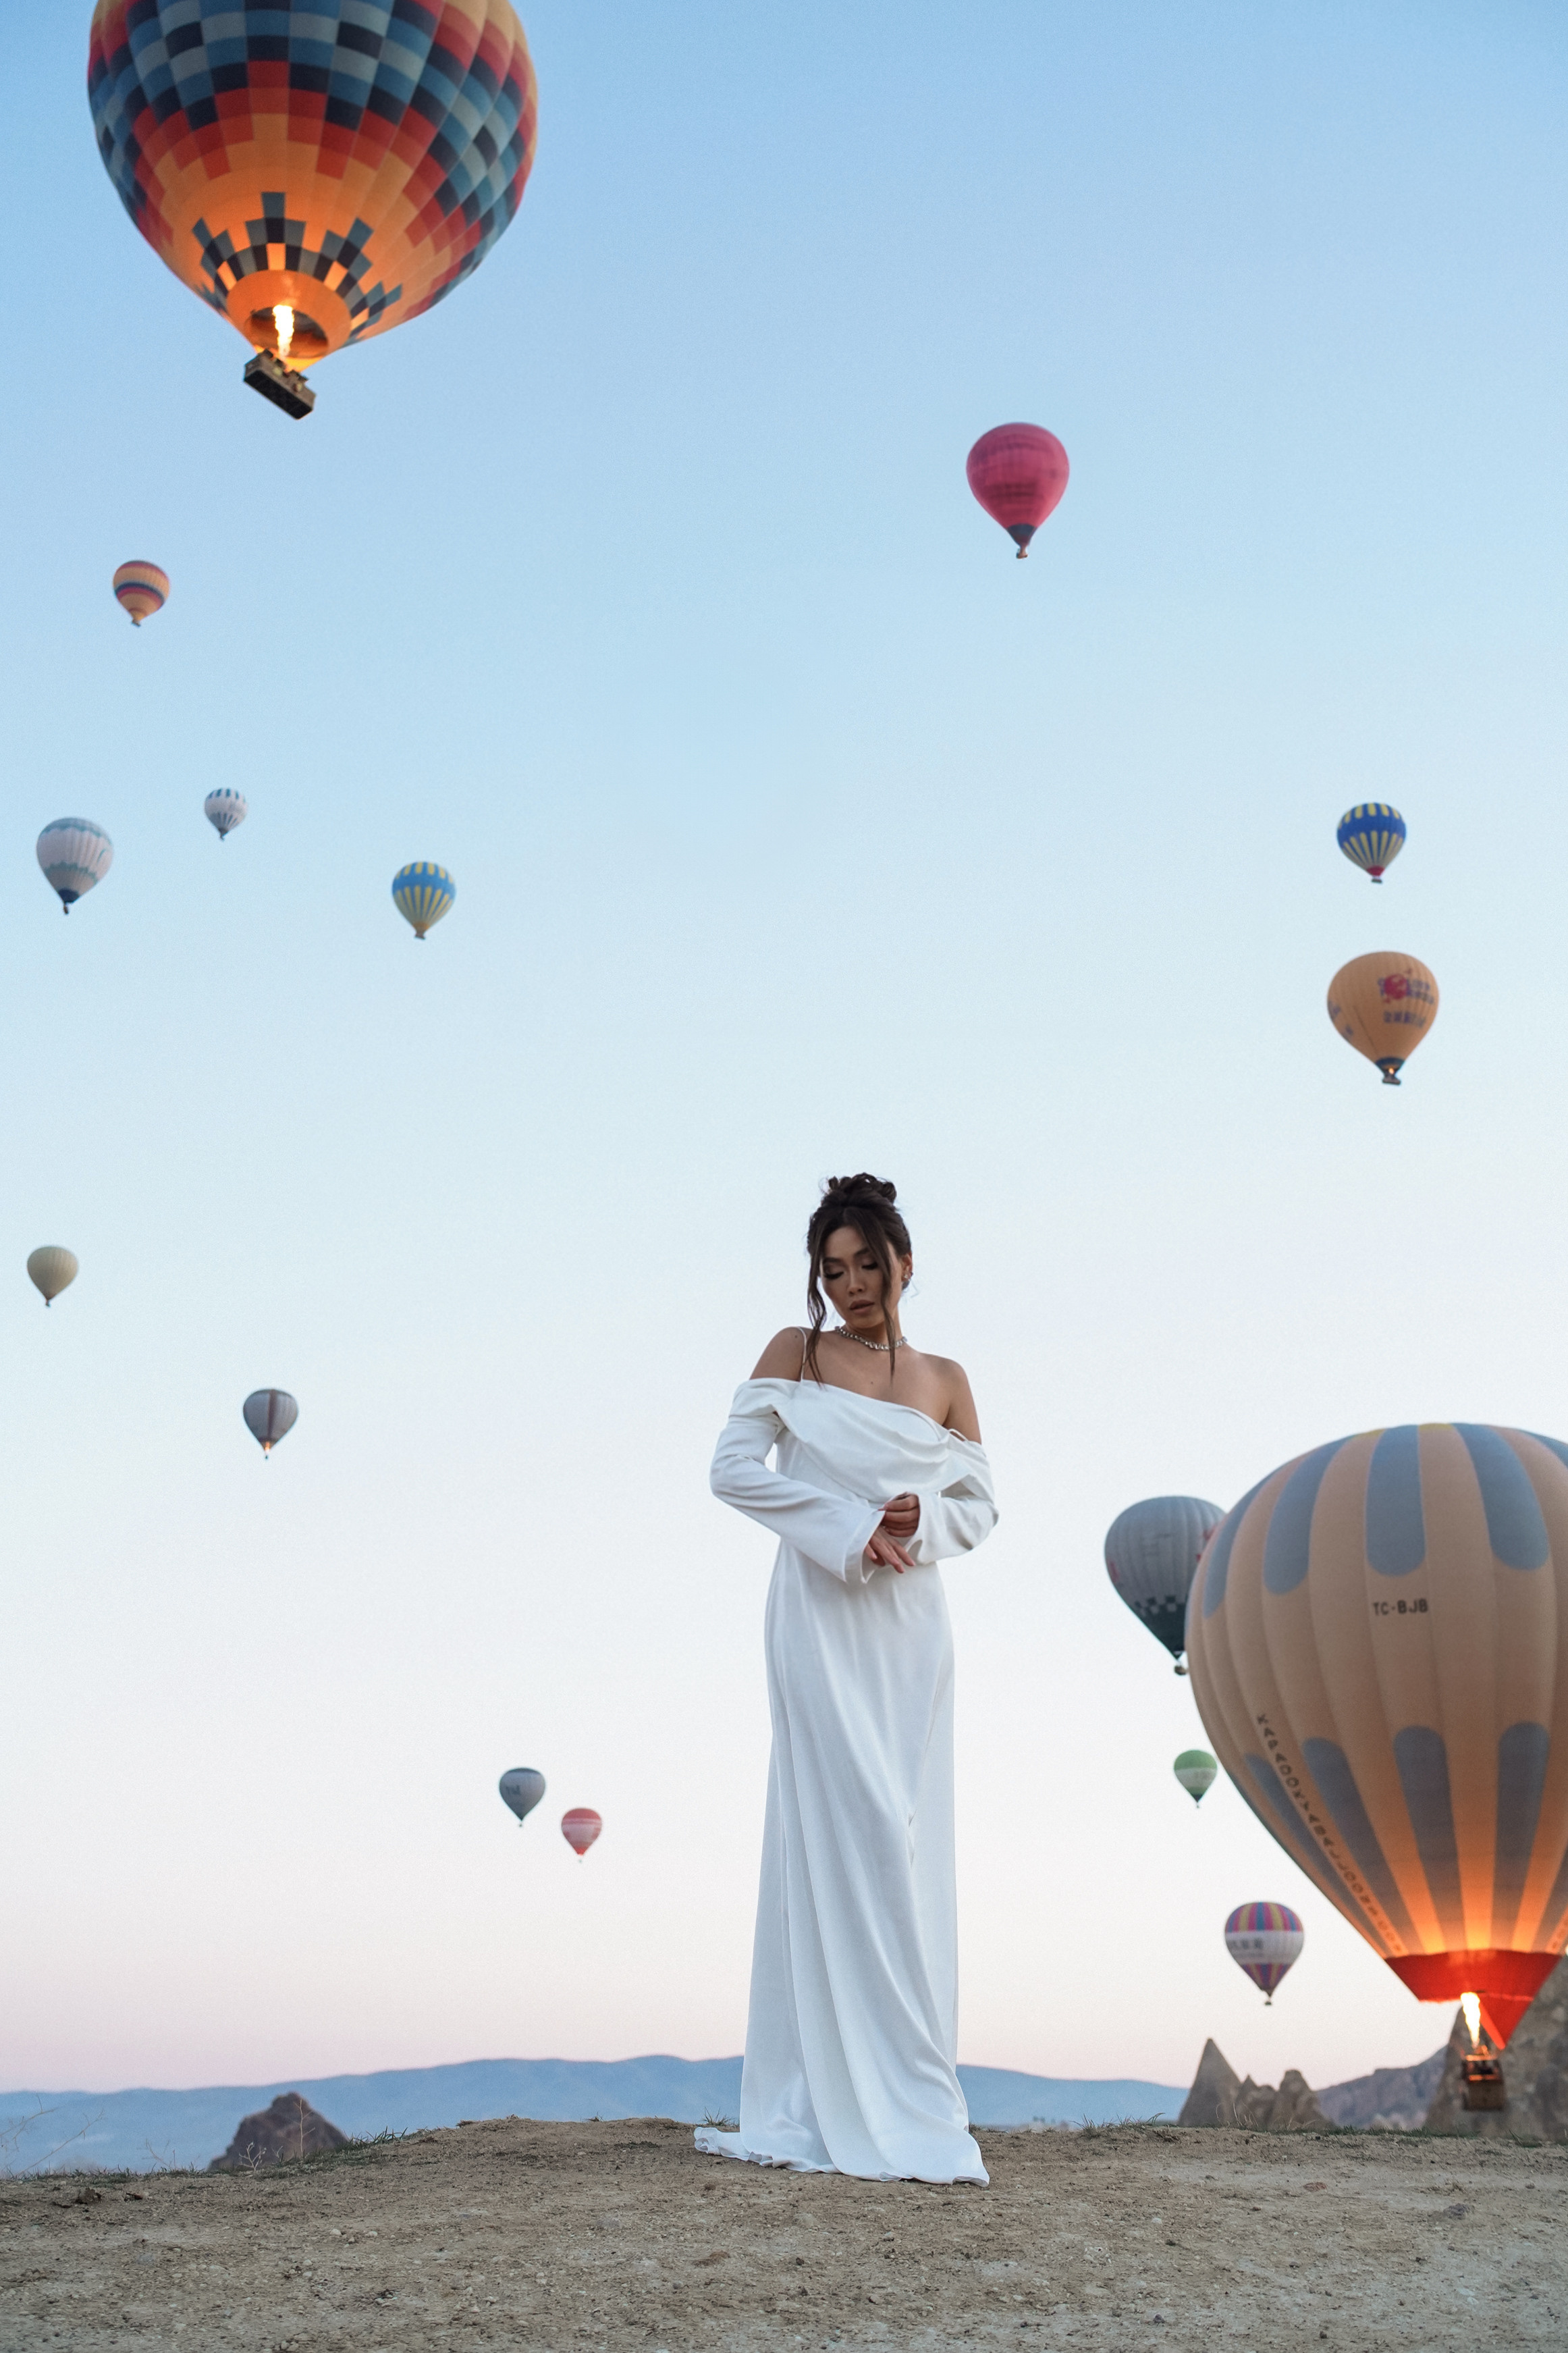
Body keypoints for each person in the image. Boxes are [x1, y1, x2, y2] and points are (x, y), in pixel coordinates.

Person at [695, 1173, 998, 2184]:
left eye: (869, 1262)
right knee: (851, 1823)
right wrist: (849, 1529)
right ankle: (834, 2095)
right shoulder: (796, 1350)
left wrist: (922, 1519)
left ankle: (914, 2086)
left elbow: (982, 1506)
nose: (853, 1282)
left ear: (905, 1261)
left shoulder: (948, 1375)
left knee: (909, 1836)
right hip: (822, 1611)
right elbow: (733, 1468)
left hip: (913, 1624)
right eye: (835, 1267)